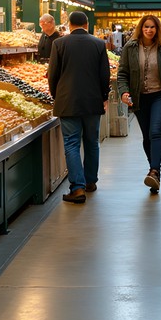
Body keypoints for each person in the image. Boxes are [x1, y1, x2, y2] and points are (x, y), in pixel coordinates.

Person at [48, 11, 110, 204]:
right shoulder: (99, 44)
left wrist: (56, 95)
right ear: (86, 23)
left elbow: (53, 75)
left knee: (72, 143)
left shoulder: (58, 44)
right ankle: (90, 181)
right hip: (93, 101)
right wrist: (104, 97)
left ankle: (77, 188)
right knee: (92, 142)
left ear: (69, 24)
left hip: (68, 101)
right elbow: (104, 75)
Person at [116, 15, 161, 193]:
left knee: (155, 132)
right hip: (139, 97)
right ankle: (153, 171)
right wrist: (123, 91)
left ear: (157, 29)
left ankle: (155, 171)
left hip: (160, 96)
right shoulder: (130, 48)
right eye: (146, 26)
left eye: (153, 27)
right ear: (141, 28)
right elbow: (122, 73)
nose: (149, 30)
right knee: (146, 136)